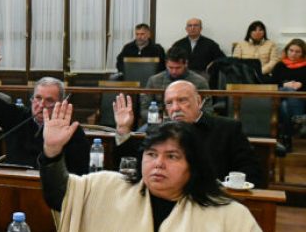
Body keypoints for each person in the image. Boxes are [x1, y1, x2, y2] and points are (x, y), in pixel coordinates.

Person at [41, 106, 282, 232]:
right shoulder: (107, 187)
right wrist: (52, 153)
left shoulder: (228, 213)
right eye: (151, 154)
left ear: (193, 165)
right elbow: (60, 196)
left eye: (172, 157)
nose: (158, 164)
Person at [112, 80, 263, 188]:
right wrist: (123, 129)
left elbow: (252, 173)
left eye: (182, 100)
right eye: (169, 103)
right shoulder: (159, 131)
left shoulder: (227, 129)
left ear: (199, 101)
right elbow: (134, 165)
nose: (175, 108)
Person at [0, 38, 90, 173]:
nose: (41, 105)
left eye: (49, 100)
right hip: (15, 184)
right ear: (31, 99)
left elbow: (80, 173)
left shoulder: (71, 131)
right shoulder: (17, 117)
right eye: (38, 98)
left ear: (60, 104)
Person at [141, 46, 211, 117]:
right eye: (170, 67)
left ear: (185, 64)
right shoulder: (154, 80)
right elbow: (144, 109)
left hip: (190, 121)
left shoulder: (199, 82)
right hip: (159, 120)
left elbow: (208, 110)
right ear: (166, 64)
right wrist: (156, 117)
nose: (174, 71)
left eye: (178, 68)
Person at [267, 38, 306, 148]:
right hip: (279, 98)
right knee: (285, 97)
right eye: (291, 50)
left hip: (301, 100)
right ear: (287, 50)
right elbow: (271, 84)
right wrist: (284, 85)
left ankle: (286, 137)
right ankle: (296, 122)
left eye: (297, 52)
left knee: (284, 105)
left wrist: (301, 85)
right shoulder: (280, 65)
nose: (293, 54)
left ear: (303, 53)